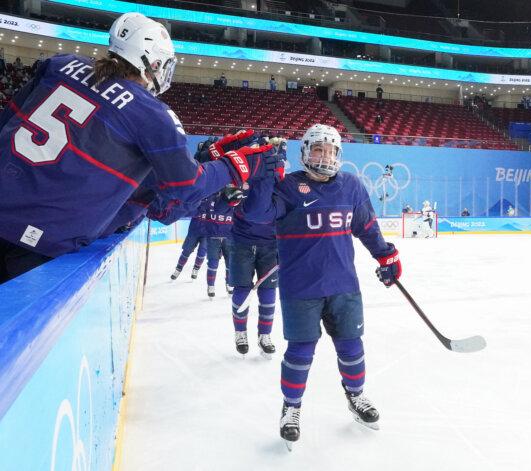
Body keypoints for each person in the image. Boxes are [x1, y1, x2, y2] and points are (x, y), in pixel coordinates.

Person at [0, 12, 279, 283]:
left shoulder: (60, 65)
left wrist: (205, 159)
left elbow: (6, 123)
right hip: (38, 246)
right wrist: (236, 165)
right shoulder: (153, 114)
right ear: (153, 64)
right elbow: (184, 188)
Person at [243, 124, 401, 449]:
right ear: (305, 152)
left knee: (351, 347)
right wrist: (261, 180)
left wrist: (386, 257)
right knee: (300, 352)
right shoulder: (287, 187)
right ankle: (291, 408)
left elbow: (367, 227)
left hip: (344, 285)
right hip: (300, 289)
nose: (325, 155)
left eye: (331, 150)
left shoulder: (351, 187)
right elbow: (257, 214)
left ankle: (356, 397)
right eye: (318, 149)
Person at [228, 137, 283, 358]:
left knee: (268, 292)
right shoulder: (240, 176)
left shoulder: (278, 178)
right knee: (242, 289)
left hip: (270, 244)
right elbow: (228, 201)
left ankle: (265, 335)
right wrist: (229, 197)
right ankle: (240, 332)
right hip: (242, 241)